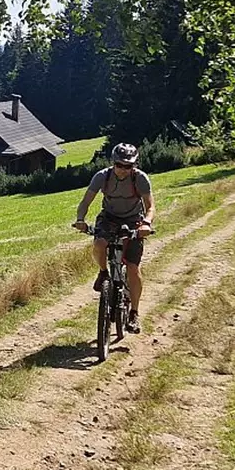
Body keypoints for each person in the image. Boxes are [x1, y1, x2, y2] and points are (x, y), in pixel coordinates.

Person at [72, 143, 154, 333]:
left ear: (134, 165)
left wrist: (146, 224)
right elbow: (85, 201)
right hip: (109, 218)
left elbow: (150, 206)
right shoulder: (103, 177)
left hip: (134, 220)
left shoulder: (140, 179)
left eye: (128, 166)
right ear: (113, 163)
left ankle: (134, 313)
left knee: (133, 268)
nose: (123, 170)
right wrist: (80, 220)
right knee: (99, 243)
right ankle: (103, 273)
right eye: (119, 165)